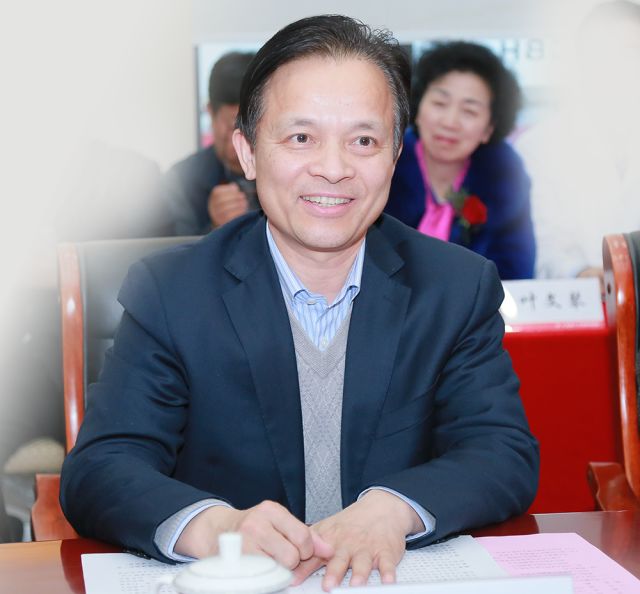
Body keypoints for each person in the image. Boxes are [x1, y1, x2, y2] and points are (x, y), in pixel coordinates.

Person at [60, 15, 539, 590]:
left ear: (394, 156)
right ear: (247, 152)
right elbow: (102, 468)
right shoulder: (172, 291)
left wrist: (393, 509)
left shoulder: (455, 286)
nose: (333, 169)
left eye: (364, 141)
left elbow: (501, 451)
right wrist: (219, 528)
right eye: (301, 138)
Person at [385, 42, 535, 280]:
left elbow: (515, 273)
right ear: (417, 108)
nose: (450, 122)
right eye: (439, 104)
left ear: (489, 128)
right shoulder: (383, 165)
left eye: (469, 111)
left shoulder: (504, 181)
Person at [517, 0, 640, 281]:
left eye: (632, 53)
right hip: (578, 299)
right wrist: (585, 275)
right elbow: (543, 244)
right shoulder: (538, 146)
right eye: (605, 54)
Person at [162, 51, 258, 235]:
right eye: (232, 126)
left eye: (250, 125)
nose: (241, 137)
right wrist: (214, 227)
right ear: (210, 113)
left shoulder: (284, 170)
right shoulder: (182, 179)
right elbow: (174, 250)